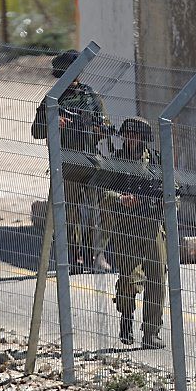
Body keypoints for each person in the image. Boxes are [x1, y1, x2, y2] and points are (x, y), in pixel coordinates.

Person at [31, 49, 114, 274]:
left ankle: (97, 254)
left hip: (91, 161)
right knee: (68, 213)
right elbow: (36, 131)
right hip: (66, 164)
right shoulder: (53, 99)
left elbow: (105, 127)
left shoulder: (91, 96)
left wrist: (91, 126)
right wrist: (53, 121)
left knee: (101, 209)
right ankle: (72, 254)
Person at [99, 117, 167, 349]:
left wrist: (160, 202)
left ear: (143, 138)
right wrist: (120, 199)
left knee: (157, 279)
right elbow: (100, 190)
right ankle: (126, 317)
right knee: (130, 279)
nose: (131, 138)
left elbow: (172, 193)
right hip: (126, 228)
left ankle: (150, 332)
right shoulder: (116, 162)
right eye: (127, 133)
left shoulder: (156, 161)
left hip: (151, 227)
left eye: (136, 134)